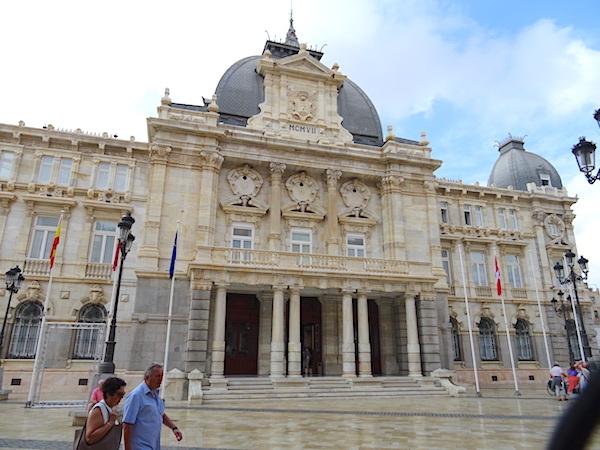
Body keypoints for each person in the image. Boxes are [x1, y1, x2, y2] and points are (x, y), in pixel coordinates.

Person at [123, 363, 183, 449]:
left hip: (153, 445)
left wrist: (174, 428)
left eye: (162, 376)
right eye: (157, 376)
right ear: (147, 377)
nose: (160, 379)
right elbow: (127, 424)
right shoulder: (136, 396)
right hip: (139, 446)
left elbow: (159, 413)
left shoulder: (156, 393)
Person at [84, 377, 127, 447]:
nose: (122, 397)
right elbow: (89, 438)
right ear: (109, 394)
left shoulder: (109, 408)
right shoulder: (98, 410)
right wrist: (110, 423)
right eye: (119, 394)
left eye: (123, 394)